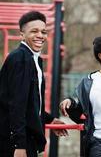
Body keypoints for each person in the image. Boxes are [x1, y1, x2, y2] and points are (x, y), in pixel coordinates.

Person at [0, 11, 67, 157]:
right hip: (13, 142)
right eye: (34, 31)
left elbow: (30, 102)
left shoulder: (34, 59)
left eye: (43, 32)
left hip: (26, 137)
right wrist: (19, 145)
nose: (40, 36)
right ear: (22, 35)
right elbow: (16, 104)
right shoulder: (19, 59)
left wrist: (50, 119)